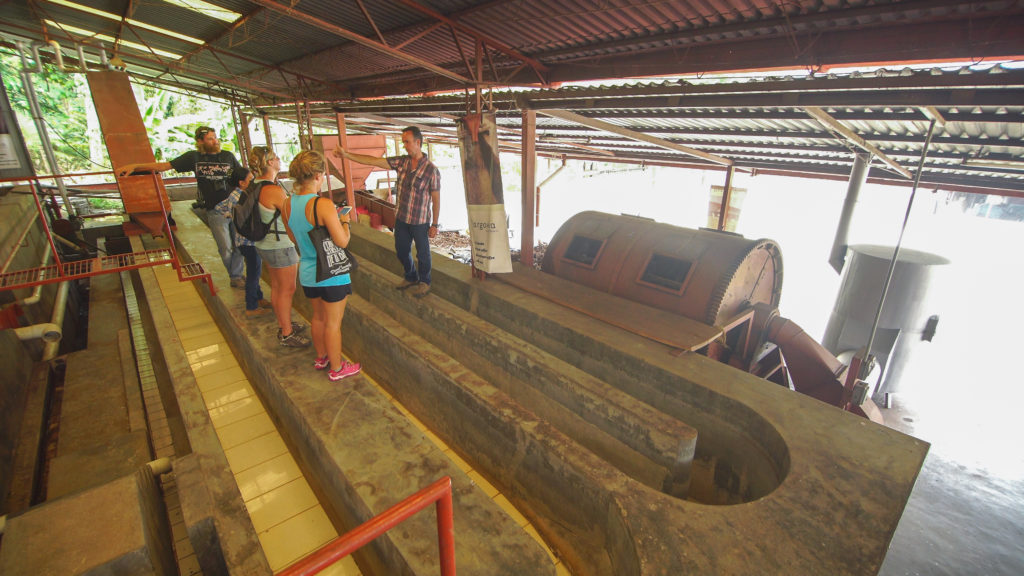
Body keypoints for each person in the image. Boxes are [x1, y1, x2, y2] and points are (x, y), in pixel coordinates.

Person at [117, 126, 245, 288]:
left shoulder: (228, 156)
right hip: (215, 210)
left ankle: (236, 274)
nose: (216, 141)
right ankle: (236, 275)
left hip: (234, 207)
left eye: (215, 137)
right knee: (225, 247)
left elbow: (242, 178)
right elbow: (164, 166)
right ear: (200, 142)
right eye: (211, 138)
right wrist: (135, 167)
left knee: (240, 244)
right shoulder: (194, 158)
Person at [334, 126, 440, 297]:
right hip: (402, 218)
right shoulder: (402, 162)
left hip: (420, 221)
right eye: (403, 142)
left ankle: (425, 282)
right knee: (401, 249)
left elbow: (436, 199)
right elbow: (373, 161)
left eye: (407, 142)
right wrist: (346, 155)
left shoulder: (431, 170)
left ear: (418, 142)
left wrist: (434, 224)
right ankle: (411, 276)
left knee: (423, 254)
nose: (404, 145)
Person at [283, 150, 360, 381]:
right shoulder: (323, 205)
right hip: (331, 273)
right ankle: (337, 369)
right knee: (333, 324)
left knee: (317, 317)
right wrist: (344, 222)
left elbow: (293, 237)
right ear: (318, 175)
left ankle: (322, 357)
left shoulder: (287, 204)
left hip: (307, 271)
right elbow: (342, 241)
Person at [248, 146, 310, 347]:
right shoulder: (272, 190)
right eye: (275, 157)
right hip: (280, 245)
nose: (279, 159)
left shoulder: (255, 185)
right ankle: (286, 333)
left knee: (277, 287)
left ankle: (284, 323)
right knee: (287, 289)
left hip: (265, 244)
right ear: (268, 163)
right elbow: (292, 215)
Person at [216, 168, 271, 316]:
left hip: (241, 241)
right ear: (242, 183)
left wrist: (230, 215)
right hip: (249, 241)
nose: (253, 182)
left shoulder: (233, 195)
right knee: (254, 273)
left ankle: (258, 298)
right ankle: (251, 307)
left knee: (254, 271)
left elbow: (219, 207)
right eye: (251, 179)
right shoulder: (242, 196)